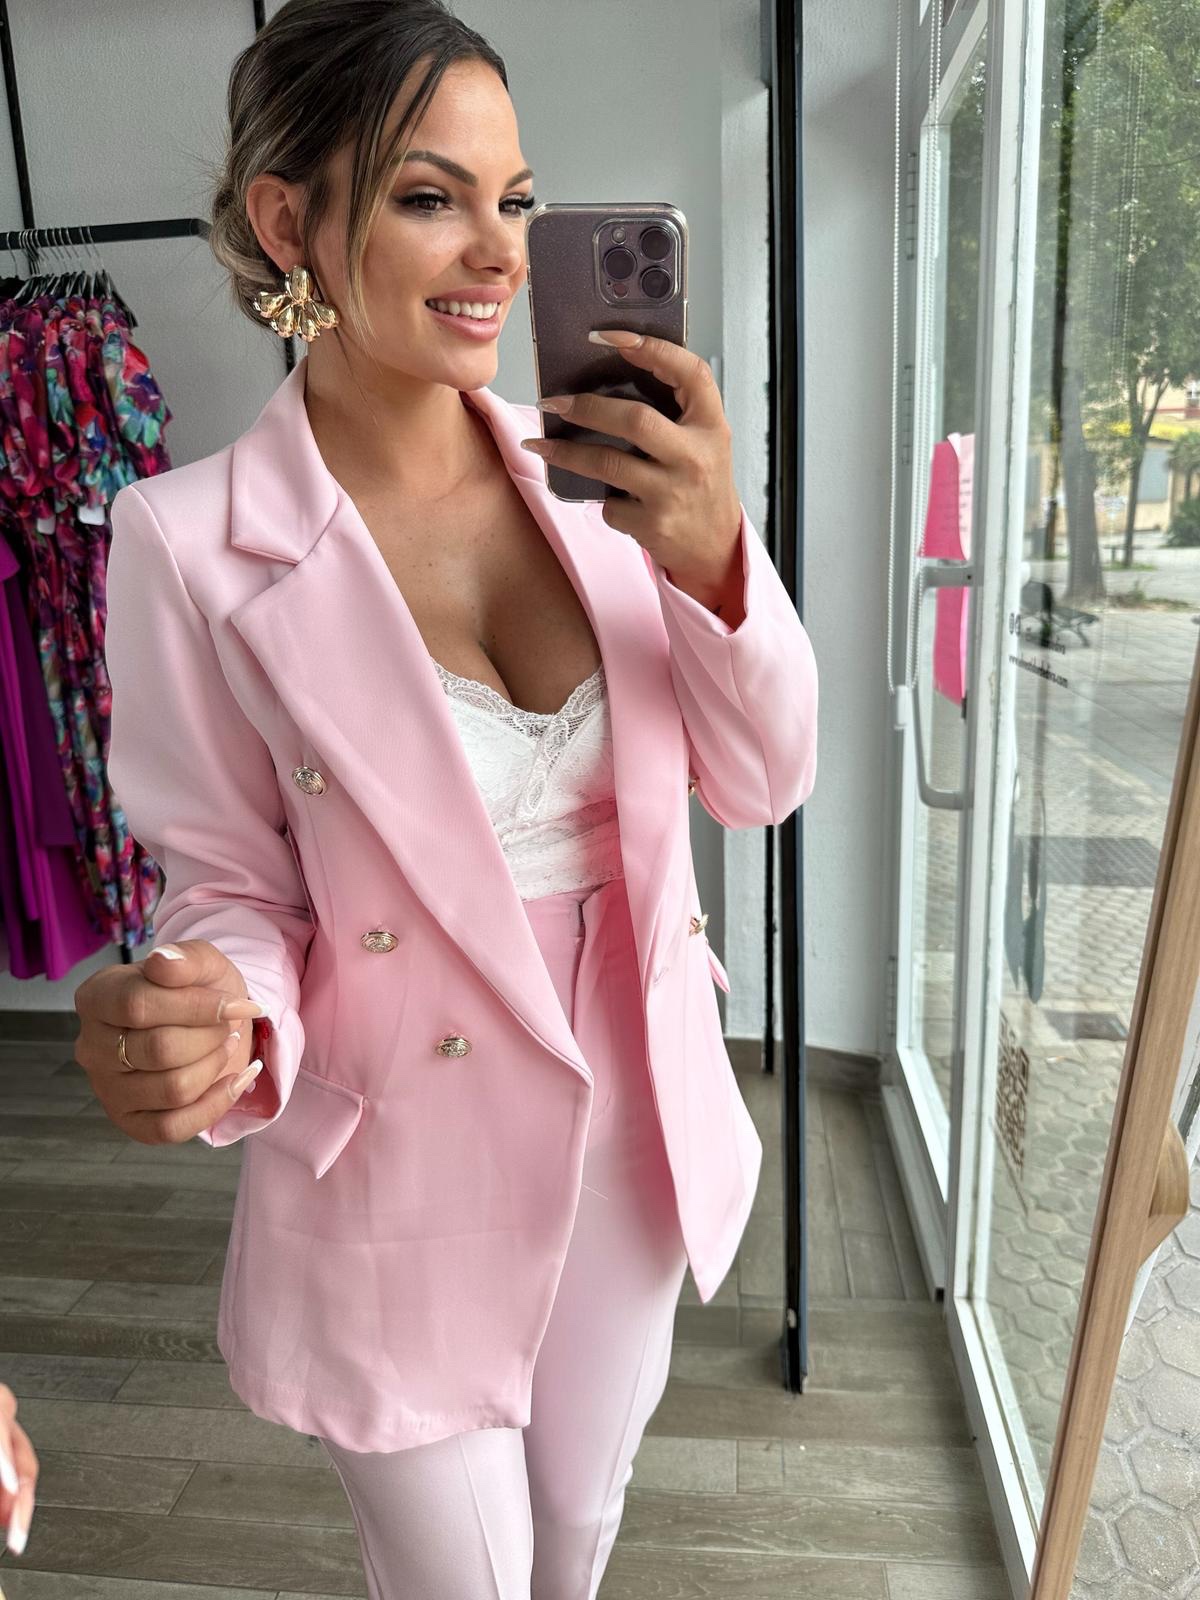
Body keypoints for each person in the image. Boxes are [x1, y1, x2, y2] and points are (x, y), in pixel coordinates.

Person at [71, 2, 818, 1595]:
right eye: (431, 197)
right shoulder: (189, 543)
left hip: (633, 1106)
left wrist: (715, 560)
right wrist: (217, 1010)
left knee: (579, 1535)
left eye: (517, 199)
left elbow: (762, 780)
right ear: (291, 222)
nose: (500, 253)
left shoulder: (608, 476)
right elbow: (231, 884)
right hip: (397, 1158)